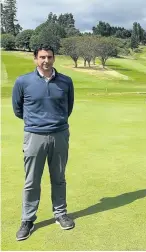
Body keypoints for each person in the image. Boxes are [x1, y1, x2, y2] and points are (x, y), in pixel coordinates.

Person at [12, 44, 75, 241]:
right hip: (34, 136)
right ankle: (28, 219)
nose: (46, 61)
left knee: (59, 177)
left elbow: (68, 107)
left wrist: (57, 123)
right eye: (42, 57)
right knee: (32, 180)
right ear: (35, 59)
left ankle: (60, 213)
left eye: (49, 57)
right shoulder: (23, 82)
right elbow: (18, 109)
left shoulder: (66, 81)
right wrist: (36, 123)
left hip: (59, 135)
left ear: (54, 58)